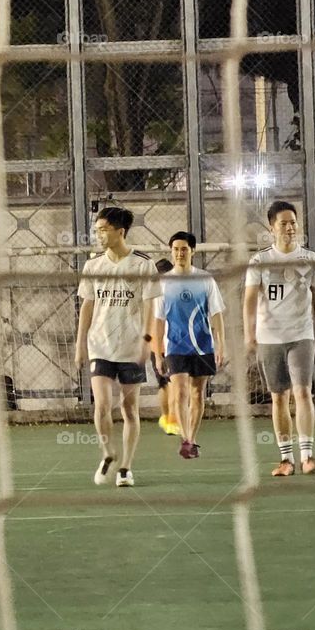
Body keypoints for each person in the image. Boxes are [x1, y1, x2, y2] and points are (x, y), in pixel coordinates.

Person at [74, 207, 160, 487]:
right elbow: (87, 305)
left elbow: (150, 306)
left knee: (130, 409)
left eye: (103, 230)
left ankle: (125, 467)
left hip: (131, 347)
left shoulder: (143, 265)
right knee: (101, 405)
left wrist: (148, 341)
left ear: (120, 231)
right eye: (96, 230)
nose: (98, 235)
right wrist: (80, 344)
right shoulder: (93, 266)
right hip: (100, 345)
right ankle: (107, 452)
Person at [244, 200, 315, 476]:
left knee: (303, 392)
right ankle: (286, 459)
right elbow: (250, 300)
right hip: (269, 337)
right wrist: (250, 334)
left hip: (301, 335)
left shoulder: (310, 259)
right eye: (284, 223)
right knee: (278, 396)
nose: (290, 228)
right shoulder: (260, 261)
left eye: (293, 222)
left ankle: (307, 455)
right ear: (272, 227)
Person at [153, 232, 225, 459]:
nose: (179, 253)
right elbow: (158, 320)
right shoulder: (164, 283)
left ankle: (192, 438)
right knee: (180, 392)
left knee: (197, 393)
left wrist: (220, 343)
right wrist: (157, 353)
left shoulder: (204, 280)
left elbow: (216, 314)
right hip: (175, 346)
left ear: (192, 251)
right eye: (175, 249)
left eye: (184, 249)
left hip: (202, 346)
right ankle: (185, 439)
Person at [151, 259, 179, 436]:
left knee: (163, 384)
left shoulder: (150, 294)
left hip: (154, 344)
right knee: (173, 384)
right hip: (169, 344)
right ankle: (173, 421)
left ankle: (165, 417)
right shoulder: (170, 293)